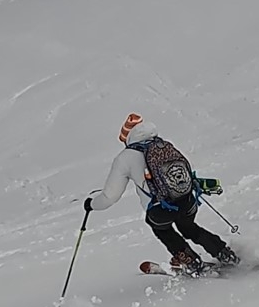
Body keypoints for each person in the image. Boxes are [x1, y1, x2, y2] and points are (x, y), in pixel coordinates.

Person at [84, 113, 239, 274]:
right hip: (187, 200)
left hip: (160, 209)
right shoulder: (164, 145)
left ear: (127, 136)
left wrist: (91, 204)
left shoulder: (125, 158)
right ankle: (225, 254)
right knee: (190, 228)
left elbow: (110, 196)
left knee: (163, 230)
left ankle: (192, 262)